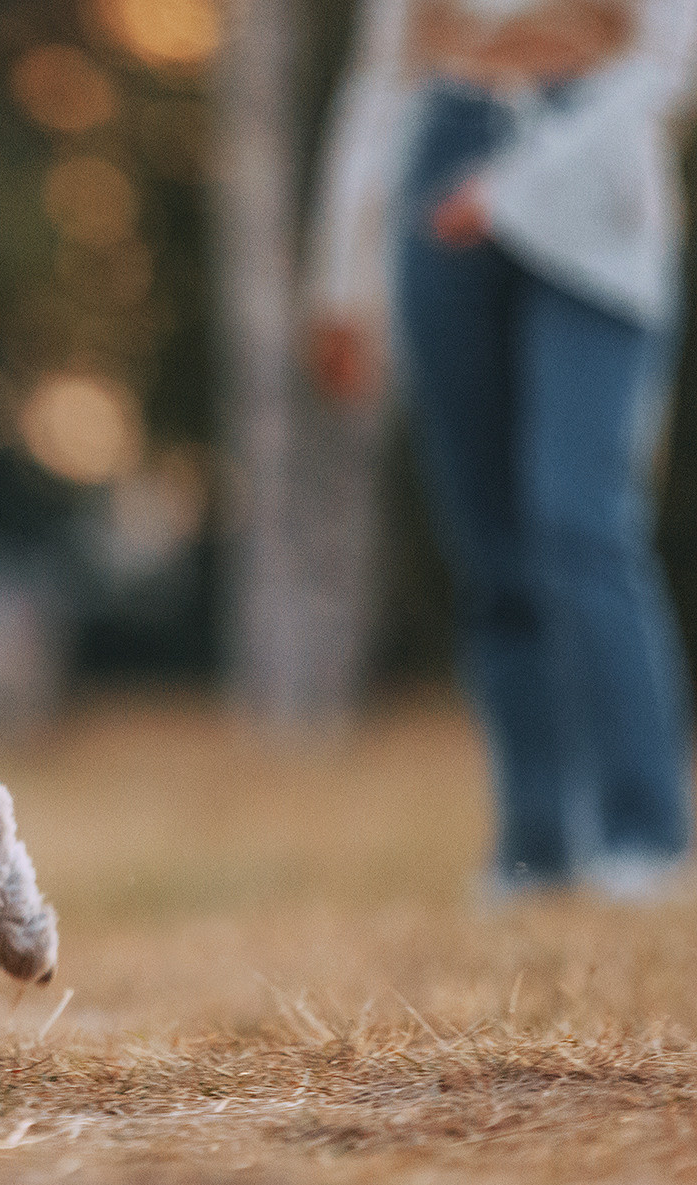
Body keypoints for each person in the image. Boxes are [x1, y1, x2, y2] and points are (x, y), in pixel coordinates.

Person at [309, 0, 697, 900]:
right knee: (490, 541)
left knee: (579, 520)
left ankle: (647, 831)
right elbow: (379, 84)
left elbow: (671, 64)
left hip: (596, 188)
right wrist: (340, 280)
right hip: (441, 169)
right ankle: (537, 845)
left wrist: (518, 188)